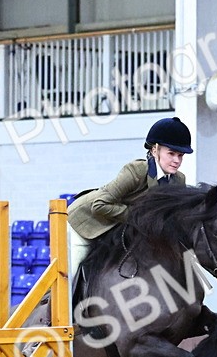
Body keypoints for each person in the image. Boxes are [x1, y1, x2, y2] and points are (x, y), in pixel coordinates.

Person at [66, 116, 193, 279]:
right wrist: (139, 218)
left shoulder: (178, 180)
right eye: (171, 153)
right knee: (69, 279)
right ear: (155, 150)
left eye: (180, 155)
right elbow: (100, 204)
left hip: (117, 233)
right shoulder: (137, 170)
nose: (177, 160)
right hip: (86, 224)